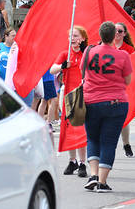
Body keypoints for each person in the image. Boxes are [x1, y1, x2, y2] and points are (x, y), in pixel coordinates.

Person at [81, 22, 133, 193]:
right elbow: (127, 81)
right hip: (116, 102)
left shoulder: (89, 51)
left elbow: (83, 71)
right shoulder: (123, 55)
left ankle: (93, 175)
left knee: (93, 138)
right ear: (114, 36)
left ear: (100, 35)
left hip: (91, 101)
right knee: (109, 142)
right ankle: (102, 182)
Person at [49, 26, 89, 178]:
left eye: (76, 35)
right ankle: (72, 161)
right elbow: (52, 69)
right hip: (68, 95)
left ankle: (82, 163)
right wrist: (62, 66)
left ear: (83, 38)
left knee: (80, 129)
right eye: (71, 35)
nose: (73, 38)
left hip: (82, 94)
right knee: (69, 129)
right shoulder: (65, 54)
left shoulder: (86, 53)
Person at [113, 22, 135, 157]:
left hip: (123, 87)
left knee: (123, 118)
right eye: (114, 31)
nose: (117, 33)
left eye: (120, 31)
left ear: (125, 34)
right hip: (108, 87)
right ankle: (110, 145)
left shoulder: (129, 49)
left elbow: (132, 68)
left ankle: (126, 144)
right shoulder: (105, 46)